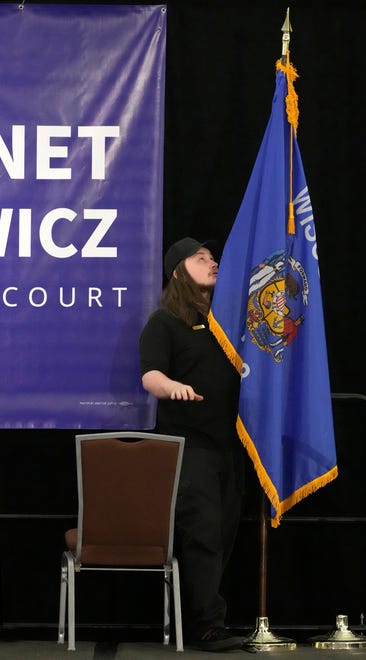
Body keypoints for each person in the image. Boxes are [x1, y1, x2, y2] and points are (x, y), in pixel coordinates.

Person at [139, 237, 246, 652]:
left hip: (231, 447)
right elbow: (150, 375)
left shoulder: (226, 322)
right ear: (178, 271)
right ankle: (207, 626)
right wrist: (173, 387)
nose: (212, 262)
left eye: (213, 256)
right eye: (201, 258)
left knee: (224, 533)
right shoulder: (164, 323)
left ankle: (198, 617)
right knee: (203, 534)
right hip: (190, 447)